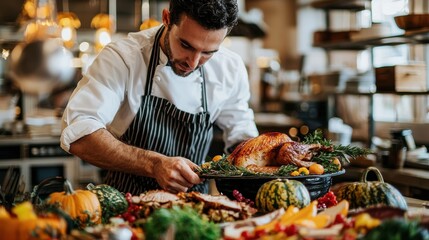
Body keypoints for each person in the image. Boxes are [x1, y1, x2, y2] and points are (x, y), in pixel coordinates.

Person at [60, 0, 259, 195]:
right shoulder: (123, 58)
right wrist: (154, 164)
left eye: (208, 53)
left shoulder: (229, 68)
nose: (193, 62)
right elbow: (80, 133)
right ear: (167, 18)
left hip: (196, 213)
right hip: (125, 210)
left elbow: (242, 137)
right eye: (185, 45)